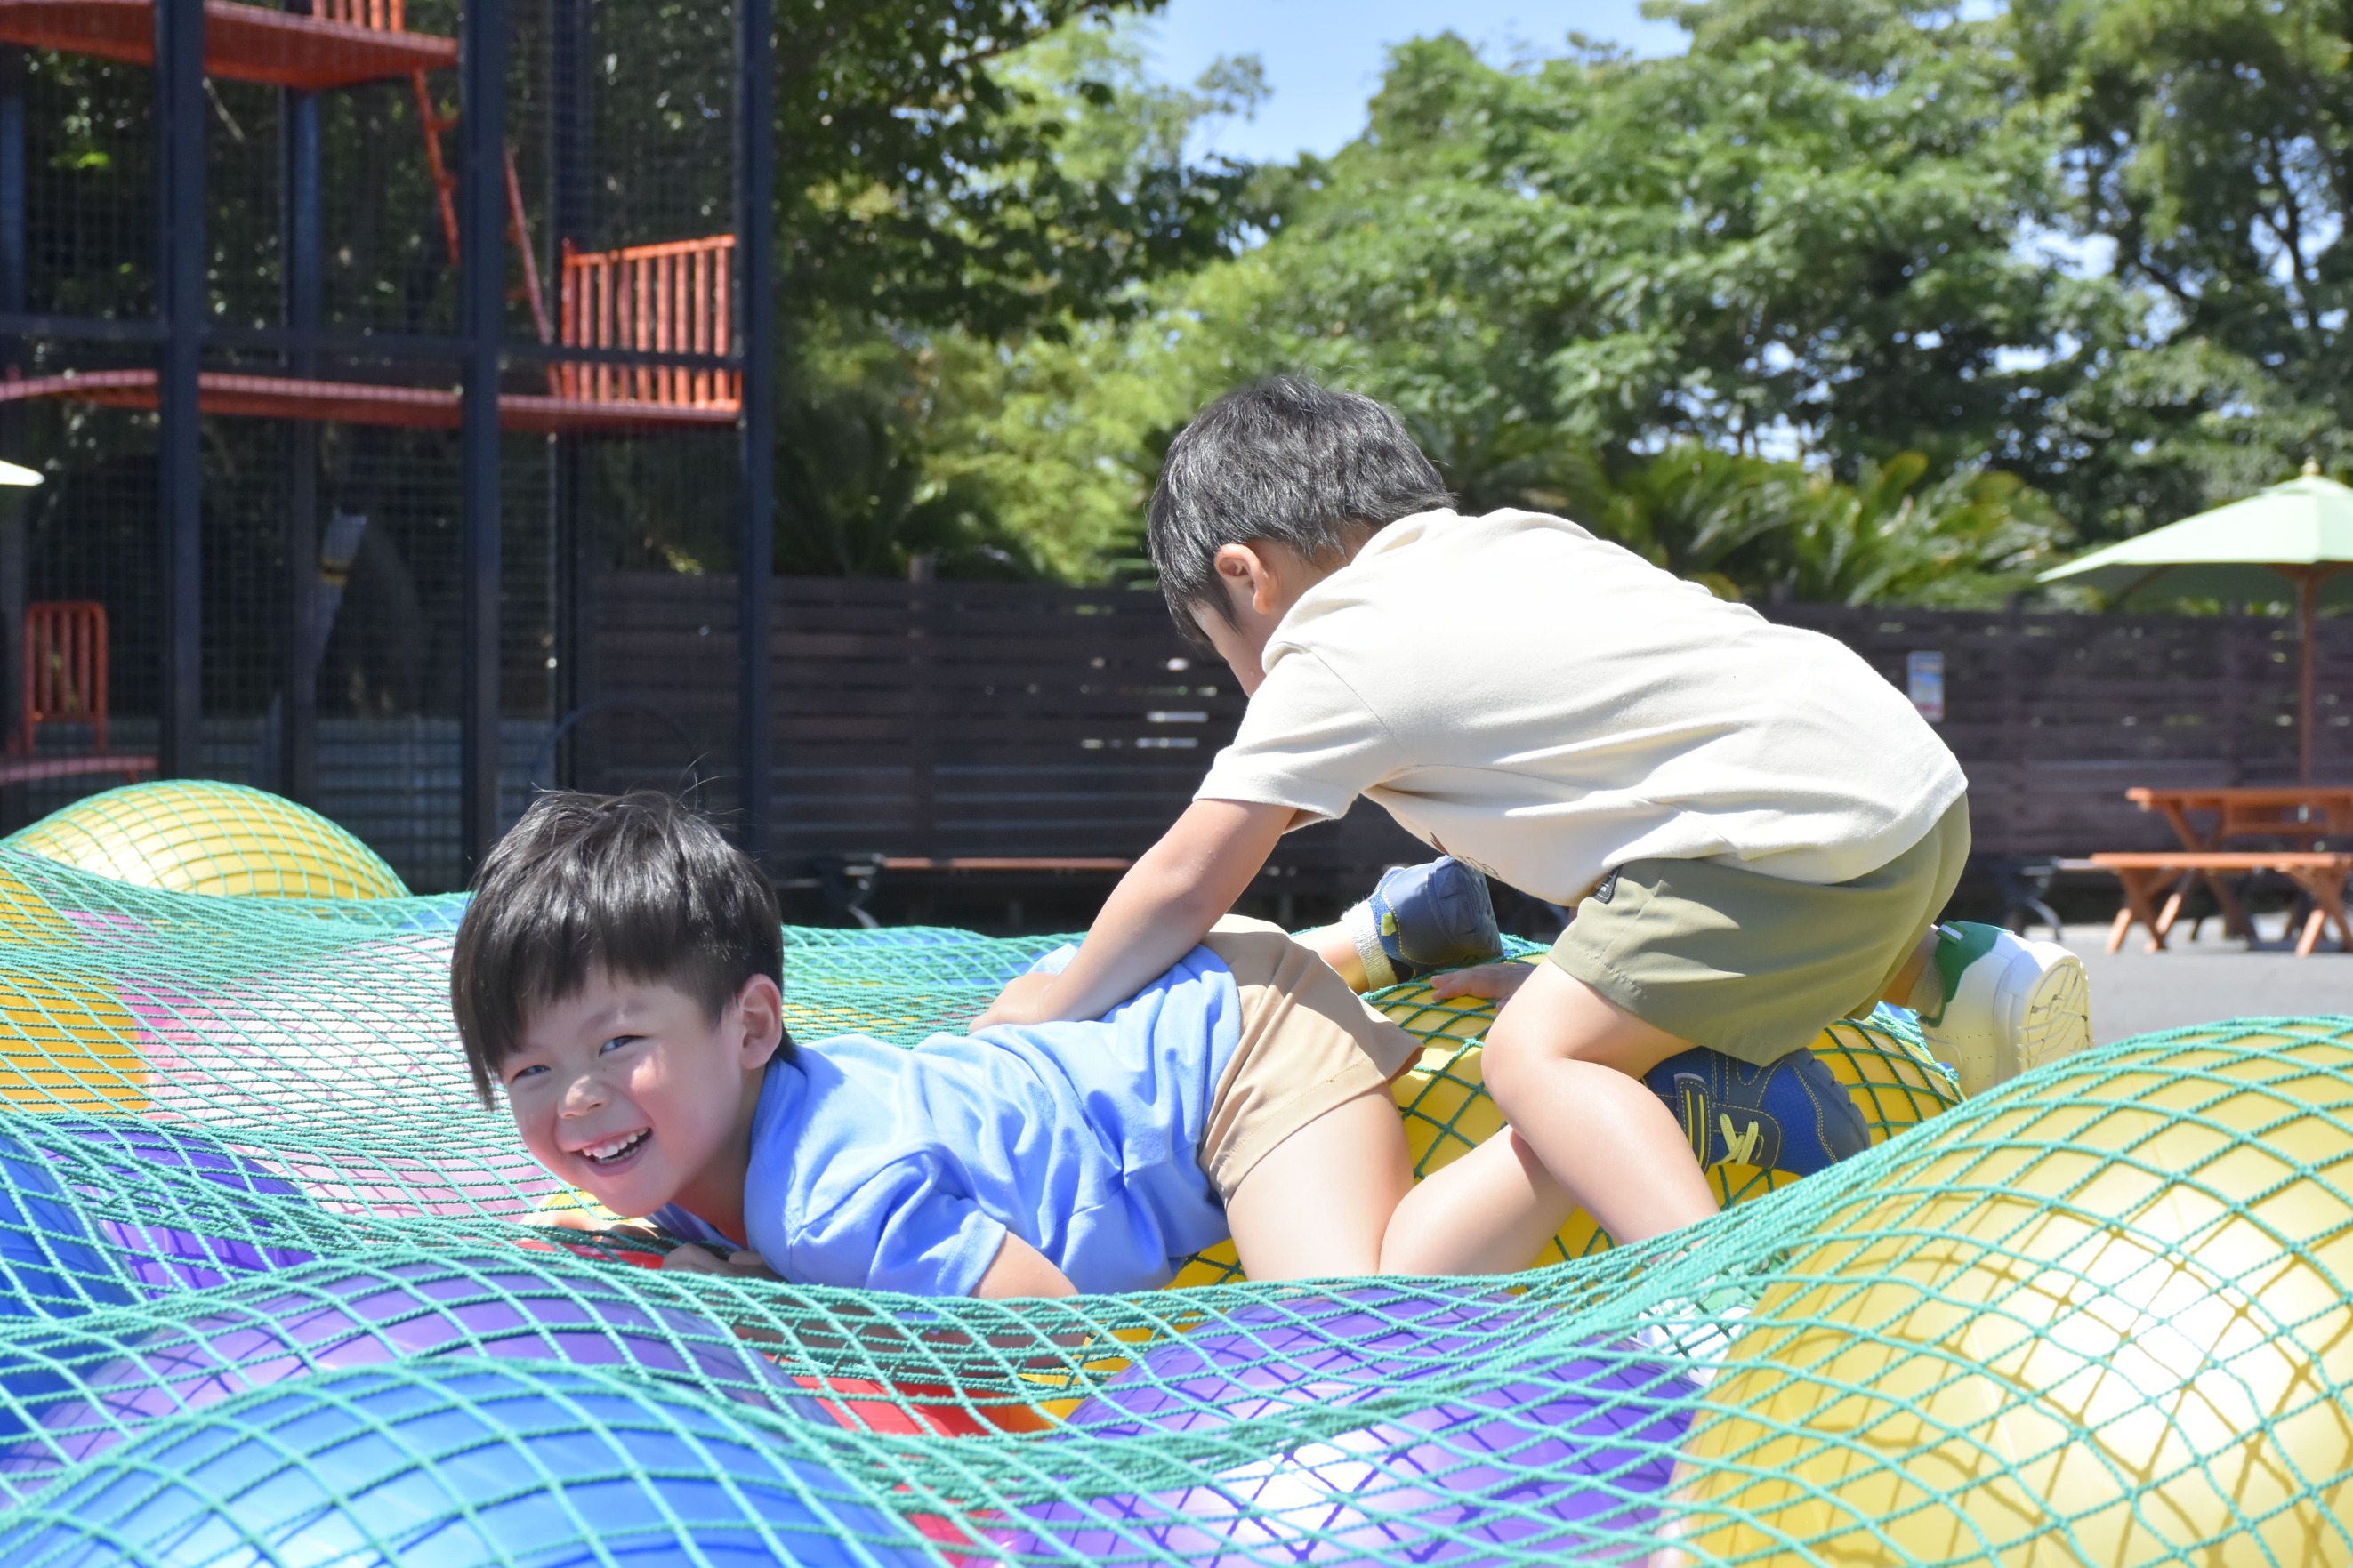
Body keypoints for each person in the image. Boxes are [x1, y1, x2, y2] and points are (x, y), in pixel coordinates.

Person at [973, 374, 2091, 1250]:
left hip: (1772, 852)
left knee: (1533, 1056)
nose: (1244, 685)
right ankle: (1955, 977)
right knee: (1690, 927)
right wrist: (1595, 966)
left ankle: (1700, 1295)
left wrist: (1056, 1007)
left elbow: (1190, 872)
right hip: (1900, 799)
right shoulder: (1509, 543)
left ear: (1246, 578)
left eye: (1224, 651)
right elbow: (1638, 781)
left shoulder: (1332, 645)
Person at [449, 791, 1583, 1296]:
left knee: (1348, 1321)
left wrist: (789, 1306)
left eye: (616, 1045)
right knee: (1008, 1020)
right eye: (531, 1069)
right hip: (1117, 1008)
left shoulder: (831, 1202)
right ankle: (1370, 937)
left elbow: (1039, 1320)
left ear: (751, 1024)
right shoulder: (693, 1138)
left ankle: (1613, 1097)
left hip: (1233, 1048)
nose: (579, 1101)